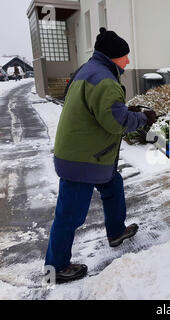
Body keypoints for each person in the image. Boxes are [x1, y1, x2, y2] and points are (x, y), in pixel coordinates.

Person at [44, 28, 157, 284]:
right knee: (70, 214)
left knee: (113, 186)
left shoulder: (90, 70)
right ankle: (55, 268)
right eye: (125, 56)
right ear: (114, 57)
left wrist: (127, 109)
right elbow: (117, 123)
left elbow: (103, 110)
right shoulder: (105, 81)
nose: (128, 61)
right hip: (82, 159)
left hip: (90, 155)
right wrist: (141, 117)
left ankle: (116, 232)